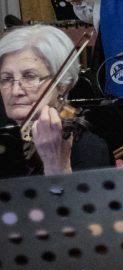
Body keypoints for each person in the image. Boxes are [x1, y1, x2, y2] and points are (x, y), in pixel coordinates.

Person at [0, 24, 111, 175]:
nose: (15, 91)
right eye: (6, 78)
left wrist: (56, 164)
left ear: (62, 85)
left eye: (30, 77)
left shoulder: (89, 149)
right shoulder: (6, 135)